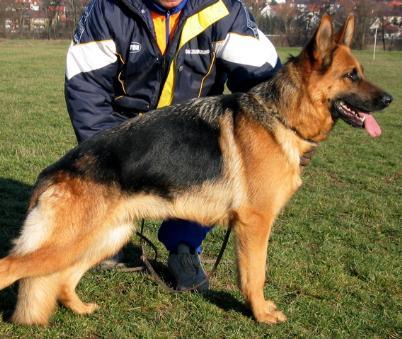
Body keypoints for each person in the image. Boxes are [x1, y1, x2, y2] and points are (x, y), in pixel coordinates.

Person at [64, 0, 281, 291]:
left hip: (191, 136)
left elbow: (266, 82)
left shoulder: (223, 9)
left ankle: (183, 247)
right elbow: (86, 88)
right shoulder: (107, 8)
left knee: (218, 166)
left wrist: (286, 135)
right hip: (123, 131)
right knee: (105, 191)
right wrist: (109, 163)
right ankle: (107, 235)